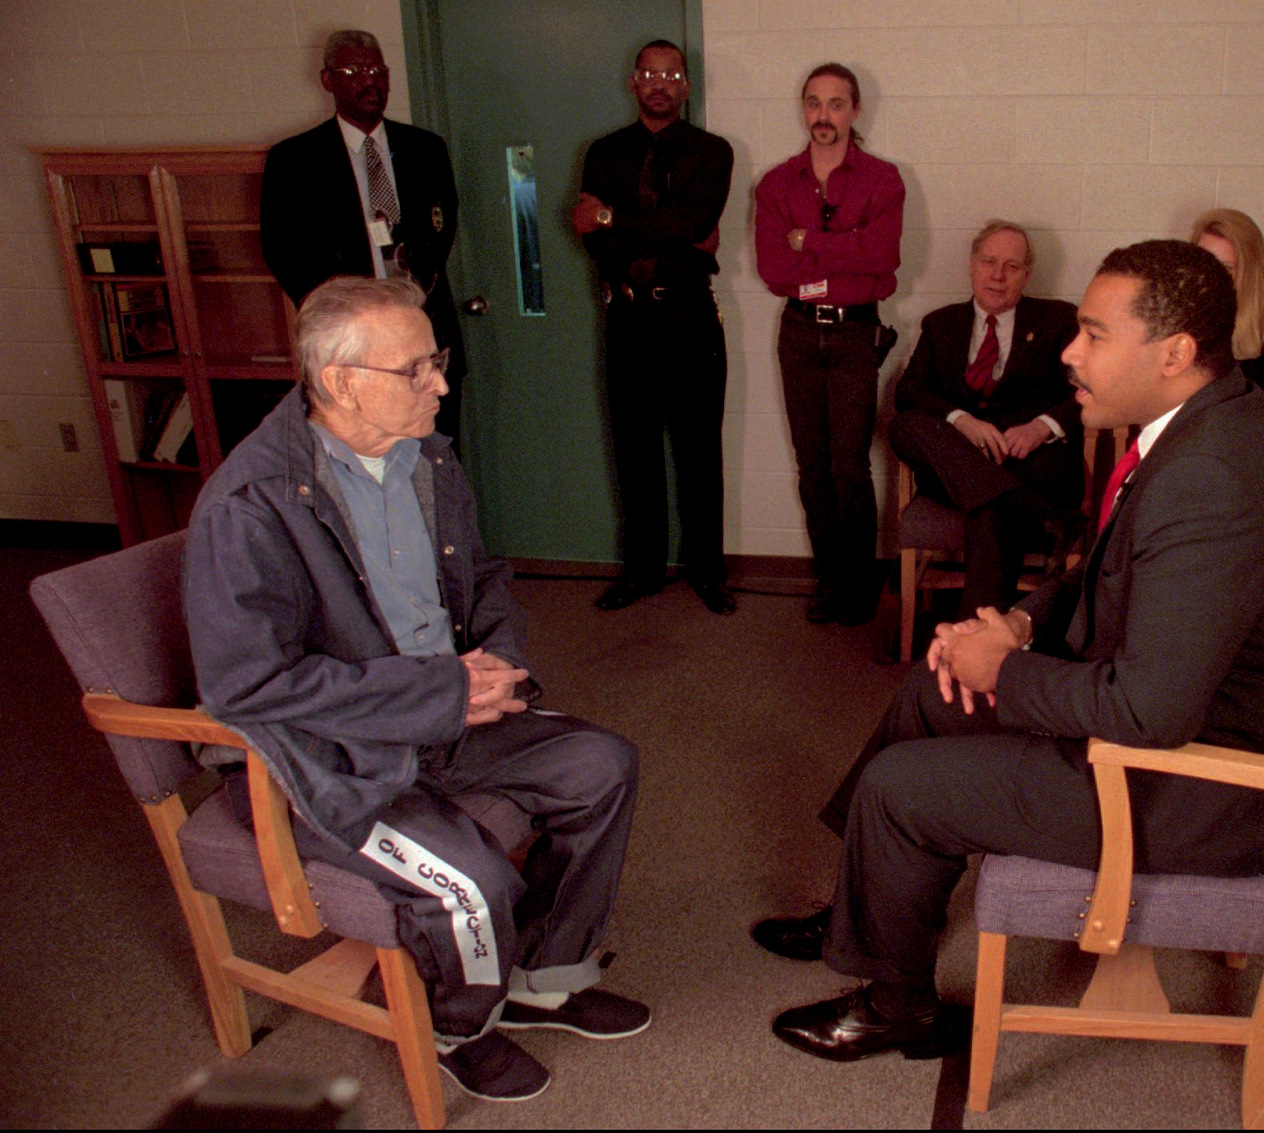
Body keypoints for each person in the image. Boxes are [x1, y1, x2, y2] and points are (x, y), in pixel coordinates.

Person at [753, 241, 1264, 1063]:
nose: (1070, 350)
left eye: (1096, 335)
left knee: (901, 788)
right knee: (930, 692)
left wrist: (1004, 669)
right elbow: (1101, 570)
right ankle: (869, 895)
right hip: (1183, 727)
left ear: (1173, 354)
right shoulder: (1206, 422)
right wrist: (1016, 628)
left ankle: (900, 1005)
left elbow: (1150, 711)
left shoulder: (1210, 478)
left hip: (1211, 783)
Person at [183, 277, 648, 1102]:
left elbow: (484, 577)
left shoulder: (426, 455)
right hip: (336, 754)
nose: (441, 382)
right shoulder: (249, 504)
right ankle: (457, 1022)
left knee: (602, 764)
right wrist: (440, 692)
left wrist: (499, 659)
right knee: (472, 877)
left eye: (436, 359)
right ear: (340, 382)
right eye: (417, 369)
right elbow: (247, 684)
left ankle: (545, 975)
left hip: (450, 711)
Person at [574, 40, 736, 615]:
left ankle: (707, 571)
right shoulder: (603, 153)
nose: (660, 82)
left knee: (698, 449)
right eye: (650, 73)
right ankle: (641, 571)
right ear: (634, 83)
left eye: (672, 73)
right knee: (635, 450)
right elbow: (595, 242)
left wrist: (615, 216)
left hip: (690, 316)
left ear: (687, 86)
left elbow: (692, 220)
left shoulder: (713, 153)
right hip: (627, 319)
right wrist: (667, 236)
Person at [261, 30, 467, 447]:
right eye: (354, 70)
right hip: (351, 347)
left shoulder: (425, 148)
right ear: (327, 80)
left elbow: (443, 229)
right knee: (366, 461)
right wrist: (341, 314)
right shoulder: (294, 160)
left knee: (437, 459)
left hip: (425, 334)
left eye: (377, 69)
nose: (369, 80)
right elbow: (283, 251)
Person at [755, 62, 906, 626]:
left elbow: (883, 257)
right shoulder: (775, 184)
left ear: (855, 110)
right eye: (815, 103)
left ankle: (860, 585)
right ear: (804, 109)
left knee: (850, 467)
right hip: (796, 332)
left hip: (853, 334)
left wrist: (811, 242)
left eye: (836, 104)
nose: (824, 115)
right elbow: (775, 270)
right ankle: (829, 580)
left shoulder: (883, 179)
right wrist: (845, 249)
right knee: (811, 468)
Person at [889, 220, 1082, 617]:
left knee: (989, 506)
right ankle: (1040, 515)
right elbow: (909, 392)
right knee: (904, 425)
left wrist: (1041, 427)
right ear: (972, 266)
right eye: (989, 262)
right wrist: (963, 421)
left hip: (1030, 460)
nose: (998, 275)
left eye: (1012, 266)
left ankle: (970, 644)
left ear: (1027, 275)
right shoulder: (941, 324)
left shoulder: (1059, 320)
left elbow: (1088, 391)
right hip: (961, 462)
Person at [1190, 208, 1264, 440]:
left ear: (1248, 272)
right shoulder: (1171, 320)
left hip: (1238, 454)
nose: (1209, 274)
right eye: (1202, 260)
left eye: (1225, 268)